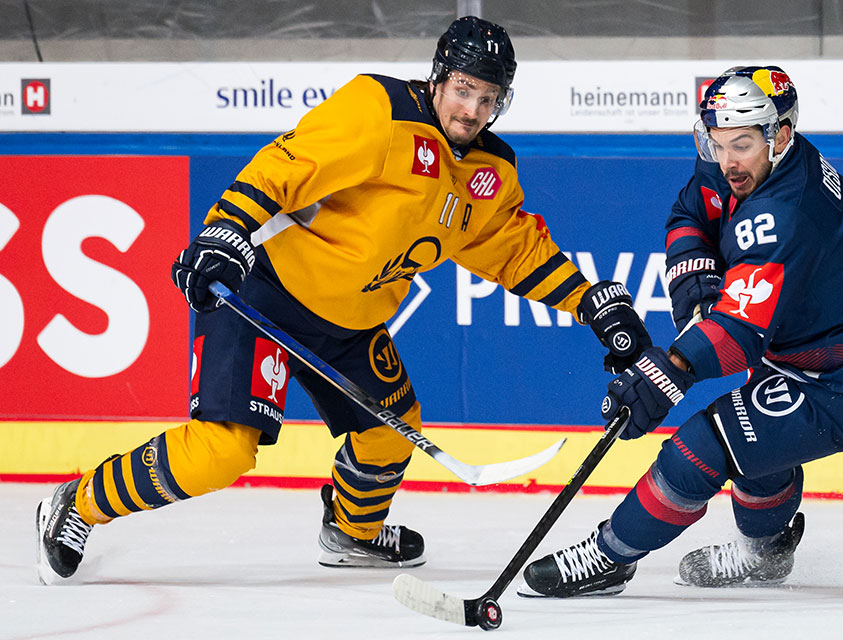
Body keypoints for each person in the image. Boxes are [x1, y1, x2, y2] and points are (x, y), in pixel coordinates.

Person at [35, 16, 649, 584]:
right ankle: (79, 502)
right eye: (463, 89)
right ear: (438, 78)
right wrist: (224, 230)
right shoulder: (378, 110)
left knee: (391, 432)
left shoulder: (490, 169)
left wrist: (593, 300)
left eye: (489, 98)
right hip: (269, 295)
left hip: (352, 322)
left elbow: (511, 250)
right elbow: (287, 165)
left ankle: (351, 533)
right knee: (221, 452)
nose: (473, 109)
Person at [518, 65, 843, 597]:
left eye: (742, 144)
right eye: (716, 142)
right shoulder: (758, 161)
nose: (727, 161)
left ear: (780, 135)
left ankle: (610, 556)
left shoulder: (784, 211)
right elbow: (691, 213)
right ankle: (767, 553)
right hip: (815, 352)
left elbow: (735, 337)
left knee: (701, 448)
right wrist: (700, 296)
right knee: (754, 446)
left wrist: (669, 371)